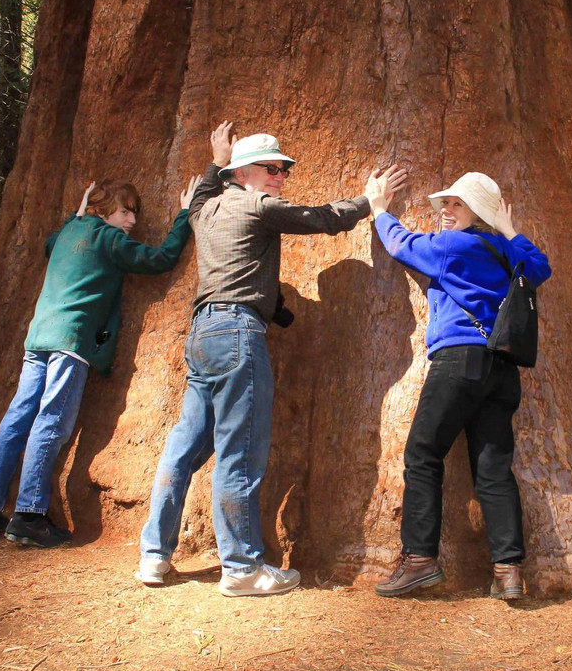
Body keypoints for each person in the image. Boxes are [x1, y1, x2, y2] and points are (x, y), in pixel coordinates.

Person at [138, 122, 407, 596]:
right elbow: (321, 218)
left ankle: (154, 555)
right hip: (239, 335)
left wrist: (215, 161)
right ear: (244, 174)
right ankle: (241, 568)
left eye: (284, 168)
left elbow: (200, 194)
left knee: (184, 448)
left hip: (203, 335)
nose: (281, 175)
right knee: (239, 451)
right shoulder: (256, 204)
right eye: (271, 168)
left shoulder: (204, 210)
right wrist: (371, 201)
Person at [0, 176, 200, 548]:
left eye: (134, 214)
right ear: (103, 209)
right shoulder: (109, 239)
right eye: (125, 211)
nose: (131, 221)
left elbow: (48, 246)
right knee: (50, 423)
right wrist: (185, 215)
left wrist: (75, 215)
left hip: (39, 338)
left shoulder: (68, 233)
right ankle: (29, 516)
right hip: (71, 342)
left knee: (17, 418)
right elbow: (159, 259)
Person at [369, 171, 551, 600]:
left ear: (477, 214)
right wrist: (510, 231)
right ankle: (508, 571)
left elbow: (402, 245)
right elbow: (539, 267)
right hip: (502, 370)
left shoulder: (454, 246)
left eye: (457, 205)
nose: (446, 212)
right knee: (492, 470)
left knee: (422, 454)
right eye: (445, 204)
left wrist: (379, 209)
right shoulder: (508, 253)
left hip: (459, 362)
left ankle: (419, 561)